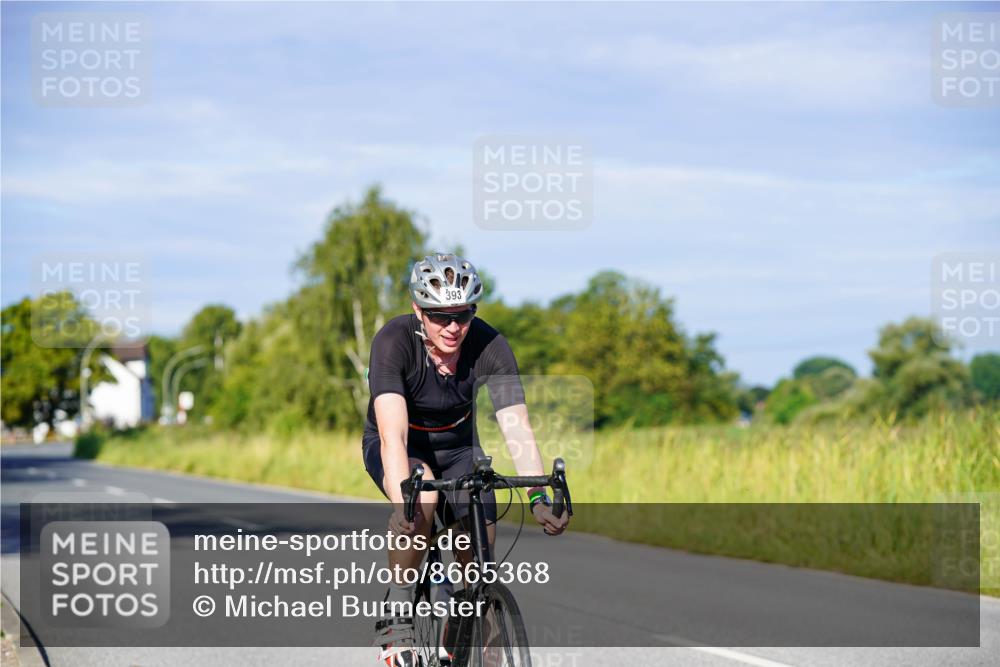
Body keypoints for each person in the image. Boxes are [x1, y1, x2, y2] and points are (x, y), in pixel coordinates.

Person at [362, 253, 569, 667]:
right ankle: (398, 616)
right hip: (406, 448)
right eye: (440, 316)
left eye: (463, 314)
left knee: (480, 552)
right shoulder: (393, 341)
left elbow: (517, 429)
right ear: (418, 310)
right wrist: (401, 502)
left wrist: (536, 497)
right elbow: (393, 436)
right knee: (419, 501)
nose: (453, 327)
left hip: (458, 450)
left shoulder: (490, 344)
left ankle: (474, 640)